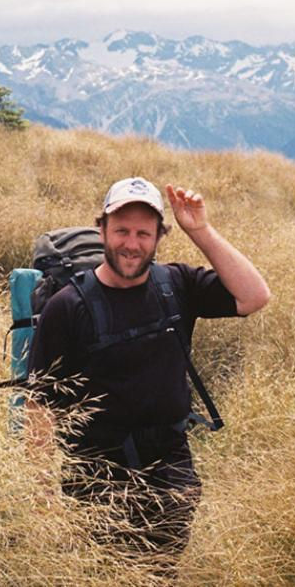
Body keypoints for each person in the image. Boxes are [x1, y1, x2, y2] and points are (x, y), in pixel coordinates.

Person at [25, 176, 271, 564]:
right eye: (121, 230)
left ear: (159, 236)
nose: (131, 243)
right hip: (95, 477)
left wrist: (201, 230)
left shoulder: (176, 285)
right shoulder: (68, 306)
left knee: (160, 571)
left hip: (170, 470)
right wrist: (42, 495)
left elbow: (254, 296)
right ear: (101, 229)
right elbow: (39, 404)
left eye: (144, 232)